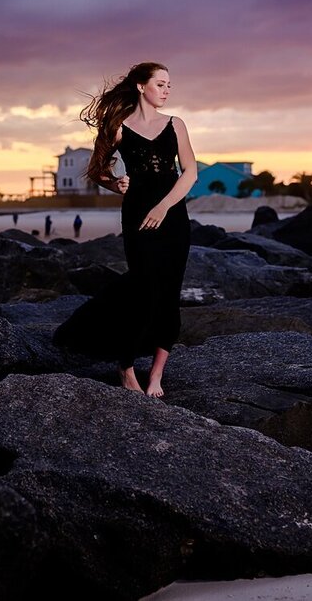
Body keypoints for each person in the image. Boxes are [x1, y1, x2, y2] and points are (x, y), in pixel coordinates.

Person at [53, 62, 197, 398]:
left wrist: (164, 206)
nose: (166, 90)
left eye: (169, 85)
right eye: (160, 84)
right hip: (137, 218)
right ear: (140, 86)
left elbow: (189, 173)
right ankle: (127, 365)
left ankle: (157, 375)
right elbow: (97, 171)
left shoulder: (176, 124)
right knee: (145, 288)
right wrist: (116, 184)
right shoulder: (119, 128)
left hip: (173, 217)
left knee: (170, 290)